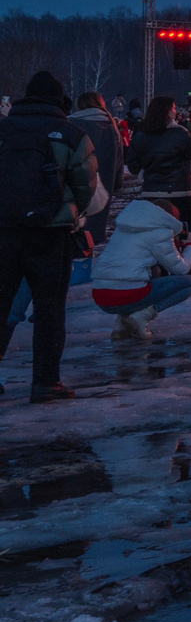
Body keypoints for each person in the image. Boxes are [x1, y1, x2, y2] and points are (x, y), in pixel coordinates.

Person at [0, 72, 101, 401]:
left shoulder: (4, 129)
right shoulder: (72, 134)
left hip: (4, 230)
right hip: (51, 233)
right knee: (49, 309)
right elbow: (86, 185)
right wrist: (71, 211)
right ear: (59, 100)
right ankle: (45, 382)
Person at [127, 96, 191, 284]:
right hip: (179, 193)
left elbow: (133, 166)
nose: (176, 111)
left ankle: (156, 272)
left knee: (153, 236)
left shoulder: (141, 135)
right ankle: (190, 273)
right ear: (168, 111)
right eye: (174, 108)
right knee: (188, 234)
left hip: (151, 194)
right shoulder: (179, 134)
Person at [87, 192, 191, 338]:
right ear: (170, 218)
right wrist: (190, 247)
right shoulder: (161, 232)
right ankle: (143, 315)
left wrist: (173, 244)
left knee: (154, 271)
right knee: (190, 283)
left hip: (101, 297)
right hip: (126, 295)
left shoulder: (123, 227)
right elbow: (181, 269)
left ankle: (122, 322)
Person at [66, 92, 124, 244]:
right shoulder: (111, 127)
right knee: (92, 236)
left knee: (73, 235)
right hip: (103, 187)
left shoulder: (71, 123)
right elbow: (119, 160)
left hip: (75, 185)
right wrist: (117, 182)